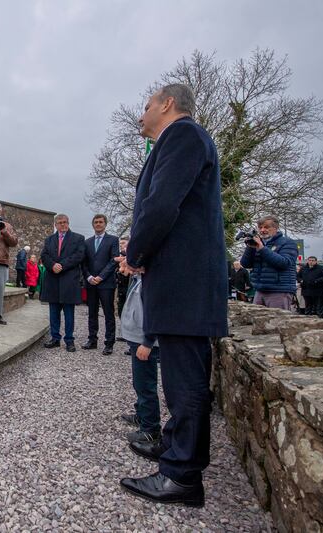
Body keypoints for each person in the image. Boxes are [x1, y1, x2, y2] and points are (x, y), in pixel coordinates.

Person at [117, 83, 228, 508]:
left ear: (167, 104)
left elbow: (161, 205)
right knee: (180, 378)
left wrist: (137, 252)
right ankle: (174, 447)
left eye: (146, 105)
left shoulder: (182, 135)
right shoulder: (181, 140)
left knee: (185, 382)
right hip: (182, 283)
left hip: (185, 284)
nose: (141, 113)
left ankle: (181, 476)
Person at [119, 274, 161, 445]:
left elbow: (155, 309)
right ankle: (142, 414)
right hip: (137, 337)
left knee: (145, 383)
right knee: (140, 381)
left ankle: (150, 428)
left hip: (144, 340)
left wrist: (148, 341)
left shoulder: (152, 279)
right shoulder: (139, 278)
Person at [41, 214, 85, 352]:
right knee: (53, 312)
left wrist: (61, 265)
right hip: (53, 280)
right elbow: (44, 255)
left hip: (69, 280)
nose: (63, 225)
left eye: (65, 222)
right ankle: (55, 338)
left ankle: (69, 340)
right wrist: (53, 265)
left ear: (68, 222)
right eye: (60, 223)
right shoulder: (49, 240)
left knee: (69, 313)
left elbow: (79, 256)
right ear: (55, 225)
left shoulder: (78, 238)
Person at [239, 215, 298, 310]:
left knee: (278, 322)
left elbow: (284, 263)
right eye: (260, 227)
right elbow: (245, 264)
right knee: (258, 321)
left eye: (266, 227)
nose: (262, 230)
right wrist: (250, 247)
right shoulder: (259, 243)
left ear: (276, 228)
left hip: (279, 290)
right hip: (260, 289)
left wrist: (262, 249)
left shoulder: (287, 243)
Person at [81, 214, 120, 355]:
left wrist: (101, 276)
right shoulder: (87, 242)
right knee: (92, 313)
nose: (98, 224)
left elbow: (113, 260)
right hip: (91, 283)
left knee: (108, 313)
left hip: (106, 283)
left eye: (100, 222)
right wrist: (89, 277)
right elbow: (84, 263)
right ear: (93, 225)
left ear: (105, 224)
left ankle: (109, 343)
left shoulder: (113, 240)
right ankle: (92, 339)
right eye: (96, 222)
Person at [116, 237, 131, 316]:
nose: (121, 245)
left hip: (129, 287)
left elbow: (125, 273)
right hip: (120, 288)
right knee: (120, 311)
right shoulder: (119, 256)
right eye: (120, 244)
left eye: (123, 243)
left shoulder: (131, 256)